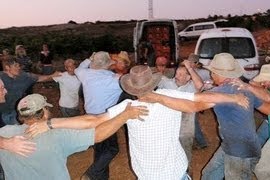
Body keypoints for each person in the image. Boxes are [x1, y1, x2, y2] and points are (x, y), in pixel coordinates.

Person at [28, 65, 250, 180]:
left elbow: (92, 120)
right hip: (175, 174)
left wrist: (51, 123)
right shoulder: (167, 97)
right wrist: (233, 97)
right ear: (152, 82)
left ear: (131, 88)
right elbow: (200, 101)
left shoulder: (127, 108)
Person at [139, 53, 270, 180]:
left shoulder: (222, 91)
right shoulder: (242, 86)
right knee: (209, 175)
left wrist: (158, 98)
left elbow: (191, 106)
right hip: (235, 146)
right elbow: (269, 109)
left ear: (219, 74)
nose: (211, 74)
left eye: (212, 72)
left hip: (240, 152)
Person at [0, 93, 147, 180]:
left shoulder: (5, 133)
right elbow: (98, 134)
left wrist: (5, 143)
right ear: (44, 112)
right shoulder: (57, 136)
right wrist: (125, 115)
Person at [75, 51, 122, 180]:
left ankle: (101, 178)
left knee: (100, 150)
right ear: (108, 64)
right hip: (106, 119)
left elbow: (78, 69)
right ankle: (91, 174)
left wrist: (89, 59)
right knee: (112, 149)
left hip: (90, 118)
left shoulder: (85, 74)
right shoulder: (114, 80)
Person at [157, 60, 203, 174]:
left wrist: (190, 68)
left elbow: (200, 85)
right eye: (177, 73)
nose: (177, 76)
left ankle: (186, 174)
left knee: (185, 153)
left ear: (188, 78)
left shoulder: (192, 87)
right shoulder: (166, 83)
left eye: (181, 75)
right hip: (167, 128)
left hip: (185, 129)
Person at [0, 56, 60, 126]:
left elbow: (41, 78)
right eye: (16, 66)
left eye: (19, 65)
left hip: (17, 112)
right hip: (2, 113)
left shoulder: (23, 76)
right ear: (7, 67)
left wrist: (54, 75)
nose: (19, 68)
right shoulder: (1, 77)